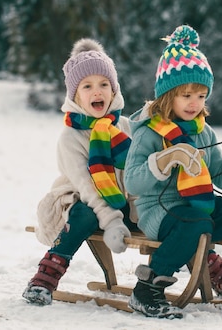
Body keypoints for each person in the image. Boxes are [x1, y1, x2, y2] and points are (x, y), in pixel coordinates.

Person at [124, 25, 222, 319]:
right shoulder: (148, 133)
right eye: (186, 95)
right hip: (159, 210)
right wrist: (163, 160)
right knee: (196, 223)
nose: (194, 103)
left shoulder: (204, 132)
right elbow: (133, 181)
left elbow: (221, 179)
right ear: (167, 95)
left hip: (201, 207)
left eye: (200, 95)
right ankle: (146, 290)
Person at [23, 38, 137, 306]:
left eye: (103, 84)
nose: (97, 92)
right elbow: (87, 189)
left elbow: (138, 174)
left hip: (122, 202)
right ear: (75, 95)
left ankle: (169, 274)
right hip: (80, 201)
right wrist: (111, 221)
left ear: (114, 89)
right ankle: (45, 278)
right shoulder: (71, 137)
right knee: (84, 215)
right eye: (87, 86)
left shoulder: (125, 127)